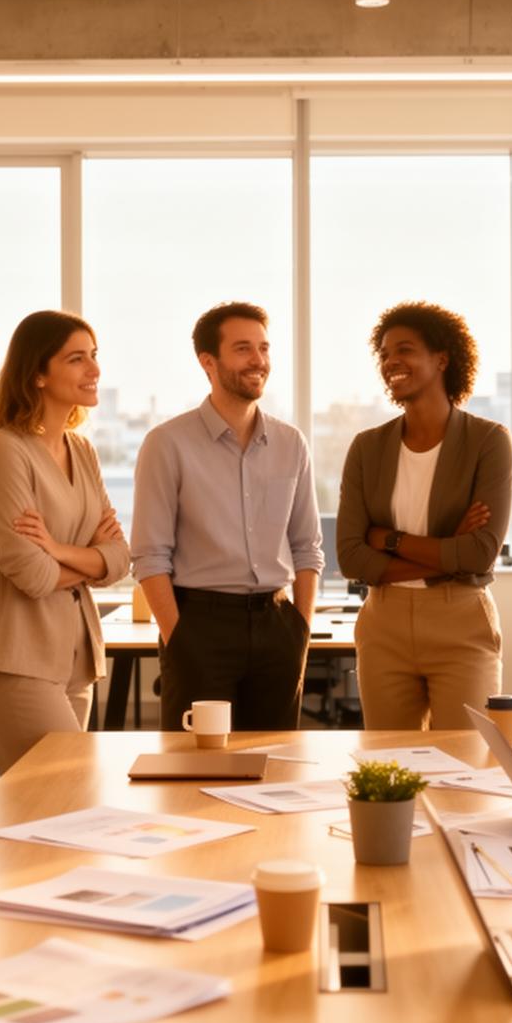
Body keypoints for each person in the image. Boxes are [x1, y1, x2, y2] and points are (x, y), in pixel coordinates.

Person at [131, 302, 323, 732]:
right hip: (199, 626)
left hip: (278, 626)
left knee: (274, 760)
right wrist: (179, 640)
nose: (258, 360)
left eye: (264, 348)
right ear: (208, 362)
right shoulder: (167, 443)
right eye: (242, 349)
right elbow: (149, 555)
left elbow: (307, 547)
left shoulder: (291, 443)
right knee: (195, 763)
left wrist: (301, 630)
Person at [336, 302, 512, 729]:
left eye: (405, 350)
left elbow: (479, 554)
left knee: (467, 758)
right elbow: (351, 558)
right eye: (384, 354)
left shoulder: (488, 441)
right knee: (389, 761)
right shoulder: (367, 447)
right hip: (384, 624)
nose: (390, 361)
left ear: (442, 359)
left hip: (460, 622)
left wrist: (388, 539)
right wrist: (447, 551)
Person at [0, 310, 131, 771]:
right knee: (54, 798)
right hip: (18, 660)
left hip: (77, 660)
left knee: (69, 804)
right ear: (37, 373)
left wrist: (57, 550)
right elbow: (33, 576)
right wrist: (92, 559)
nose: (94, 369)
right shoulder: (5, 452)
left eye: (94, 355)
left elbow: (122, 560)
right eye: (76, 359)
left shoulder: (83, 449)